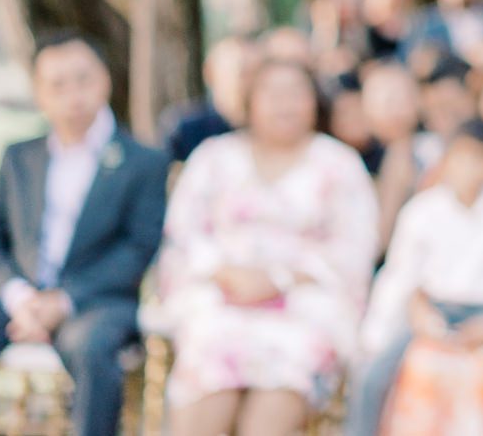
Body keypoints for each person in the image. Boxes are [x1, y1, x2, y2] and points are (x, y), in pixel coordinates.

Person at [154, 57, 380, 435]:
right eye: (272, 94)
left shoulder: (339, 164)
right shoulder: (214, 157)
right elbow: (183, 234)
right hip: (222, 296)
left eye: (295, 94)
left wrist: (278, 279)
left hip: (302, 304)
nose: (284, 104)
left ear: (315, 103)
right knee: (209, 356)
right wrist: (228, 274)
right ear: (250, 101)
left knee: (285, 369)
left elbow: (354, 249)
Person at [0, 34, 170, 436]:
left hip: (97, 303)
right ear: (39, 93)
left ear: (104, 80)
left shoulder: (143, 162)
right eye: (57, 85)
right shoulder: (19, 156)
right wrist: (21, 299)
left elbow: (138, 248)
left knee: (92, 349)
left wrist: (63, 301)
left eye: (83, 79)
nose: (73, 95)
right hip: (19, 298)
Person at [347, 120, 483, 436]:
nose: (470, 167)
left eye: (479, 157)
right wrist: (418, 314)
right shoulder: (423, 210)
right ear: (447, 159)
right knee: (372, 375)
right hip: (434, 308)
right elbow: (403, 276)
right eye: (462, 156)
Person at [158, 35, 258, 164]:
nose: (247, 83)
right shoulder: (185, 127)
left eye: (255, 73)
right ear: (210, 73)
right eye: (241, 73)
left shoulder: (266, 127)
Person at [360, 60, 426, 245]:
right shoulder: (353, 154)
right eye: (387, 100)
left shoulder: (431, 148)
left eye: (403, 99)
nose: (396, 109)